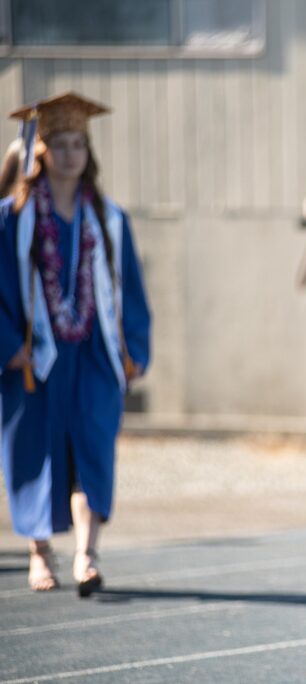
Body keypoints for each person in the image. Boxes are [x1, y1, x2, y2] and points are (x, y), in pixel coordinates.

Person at [0, 92, 151, 595]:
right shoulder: (12, 219)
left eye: (77, 144)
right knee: (36, 452)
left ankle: (88, 554)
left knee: (93, 448)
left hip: (93, 354)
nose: (69, 154)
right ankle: (39, 553)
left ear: (88, 153)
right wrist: (7, 346)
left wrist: (134, 349)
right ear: (39, 153)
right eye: (59, 144)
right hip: (34, 359)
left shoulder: (109, 219)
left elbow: (130, 289)